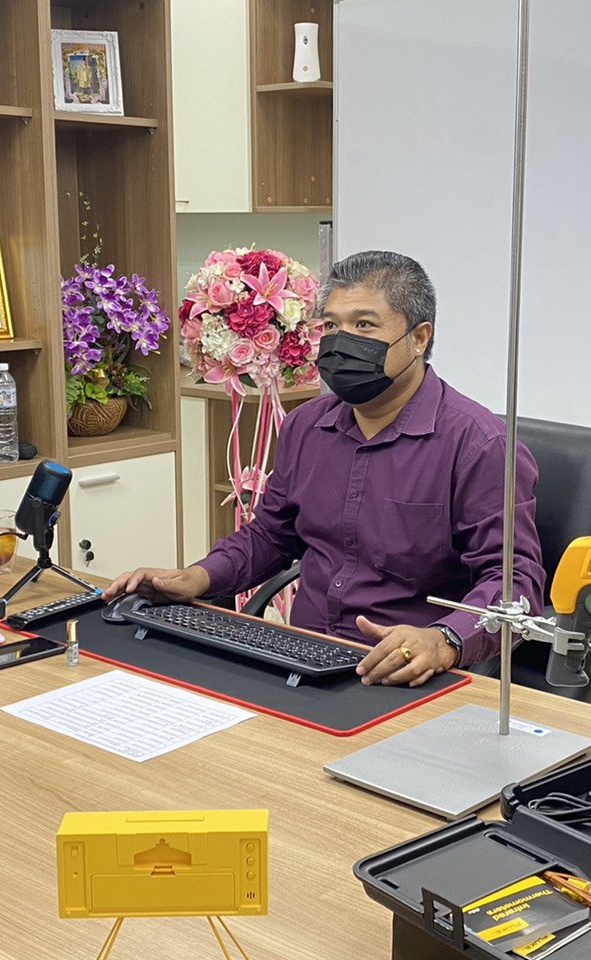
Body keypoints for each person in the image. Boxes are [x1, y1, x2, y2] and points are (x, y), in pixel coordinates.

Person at [106, 250, 544, 688]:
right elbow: (272, 535)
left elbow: (515, 584)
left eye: (364, 325)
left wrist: (444, 640)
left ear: (419, 338)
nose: (341, 341)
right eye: (331, 326)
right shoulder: (306, 425)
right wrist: (196, 577)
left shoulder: (479, 445)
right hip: (298, 654)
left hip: (403, 670)